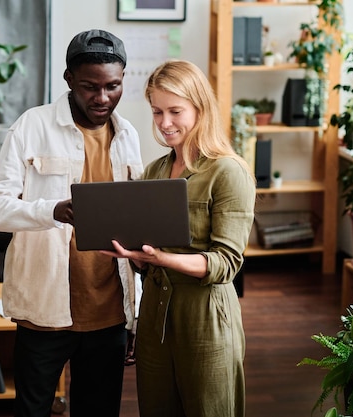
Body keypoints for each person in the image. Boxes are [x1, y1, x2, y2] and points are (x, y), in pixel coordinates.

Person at [0, 29, 143, 417]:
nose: (102, 98)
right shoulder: (31, 126)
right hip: (44, 311)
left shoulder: (129, 136)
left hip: (110, 312)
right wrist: (50, 211)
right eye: (90, 87)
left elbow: (136, 227)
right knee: (32, 410)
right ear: (69, 79)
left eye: (113, 86)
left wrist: (138, 315)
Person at [101, 60, 256, 417]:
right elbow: (147, 248)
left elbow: (226, 263)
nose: (164, 123)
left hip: (205, 316)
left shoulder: (228, 172)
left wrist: (162, 258)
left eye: (175, 111)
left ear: (200, 109)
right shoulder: (154, 171)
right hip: (155, 315)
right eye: (157, 111)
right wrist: (134, 254)